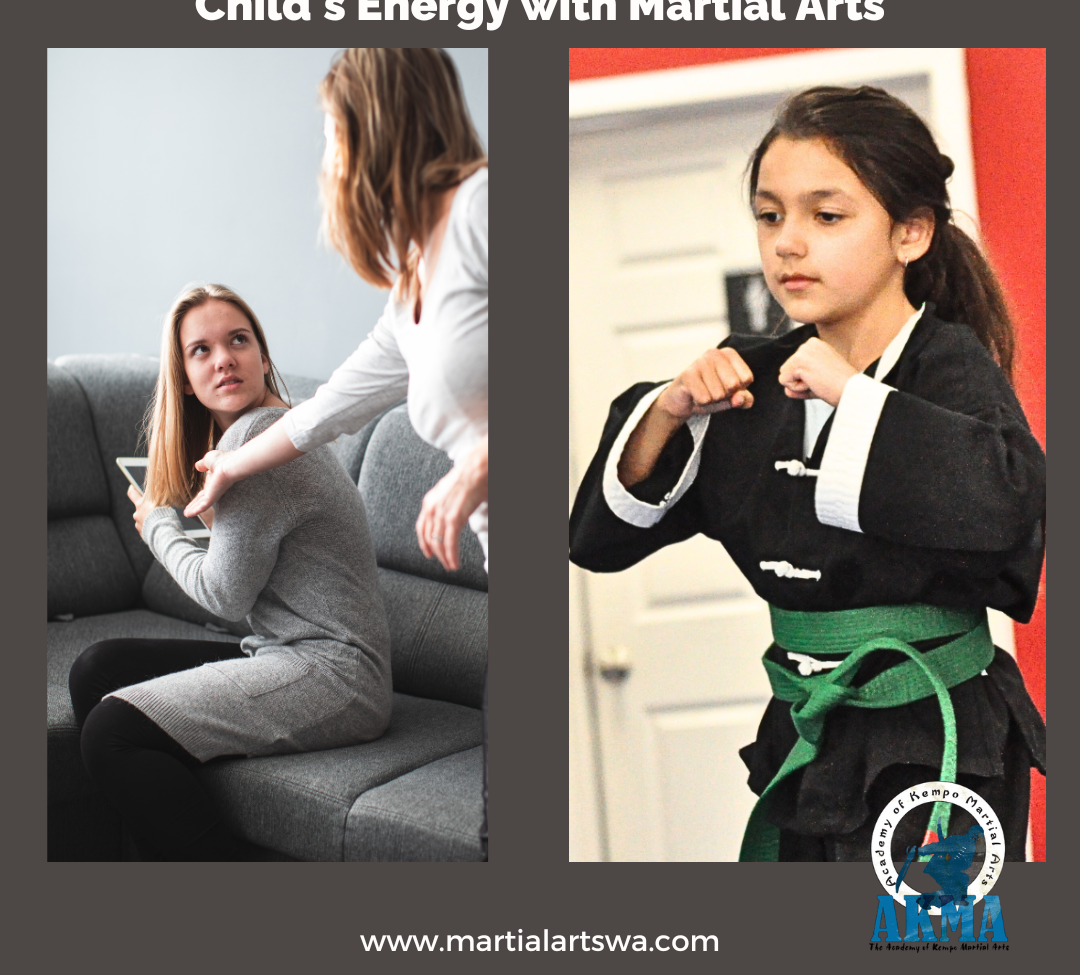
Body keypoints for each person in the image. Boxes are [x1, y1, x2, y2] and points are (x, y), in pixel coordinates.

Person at [569, 86, 1045, 862]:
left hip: (935, 735)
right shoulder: (748, 381)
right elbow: (597, 543)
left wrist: (852, 398)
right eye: (769, 215)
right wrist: (669, 411)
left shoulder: (951, 368)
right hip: (804, 723)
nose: (788, 242)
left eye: (826, 217)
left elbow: (1006, 509)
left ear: (911, 233)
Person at [183, 48, 490, 857]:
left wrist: (481, 464)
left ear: (374, 126)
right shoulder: (415, 280)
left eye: (332, 132)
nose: (327, 157)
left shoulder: (486, 207)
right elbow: (324, 411)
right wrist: (230, 464)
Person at [70, 283, 392, 861]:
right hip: (281, 652)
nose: (223, 358)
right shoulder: (249, 441)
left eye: (238, 340)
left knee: (111, 731)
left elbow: (222, 594)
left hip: (336, 677)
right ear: (185, 377)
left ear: (263, 357)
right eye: (201, 350)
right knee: (98, 668)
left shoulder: (257, 439)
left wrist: (158, 529)